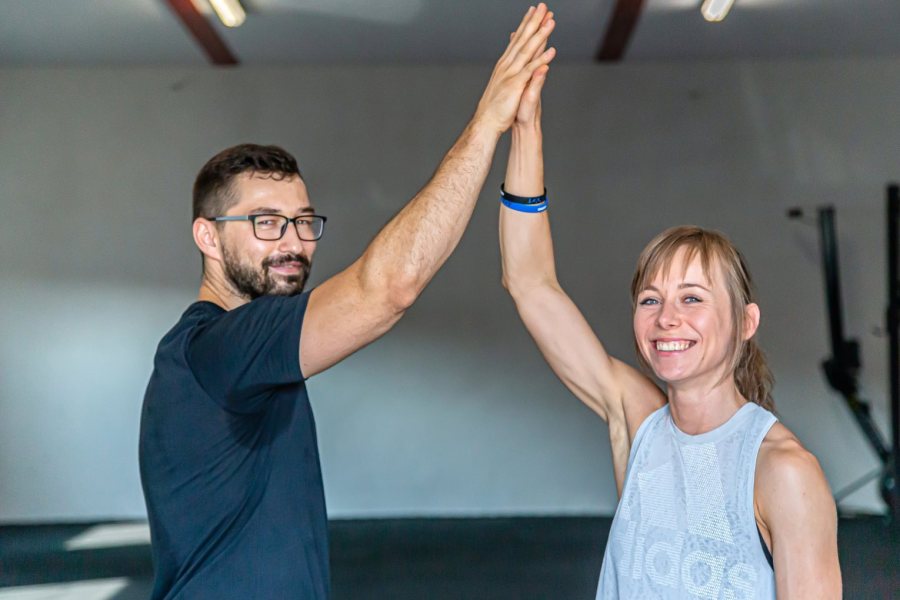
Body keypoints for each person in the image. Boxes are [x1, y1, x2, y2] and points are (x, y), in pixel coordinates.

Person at [138, 5, 556, 598]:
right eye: (265, 222)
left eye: (302, 221)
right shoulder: (218, 345)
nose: (292, 242)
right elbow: (386, 289)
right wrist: (487, 123)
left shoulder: (233, 350)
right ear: (207, 237)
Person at [498, 56, 842, 598]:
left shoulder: (784, 472)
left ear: (746, 322)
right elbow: (530, 283)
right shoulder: (640, 425)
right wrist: (525, 129)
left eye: (692, 298)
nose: (666, 319)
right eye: (650, 300)